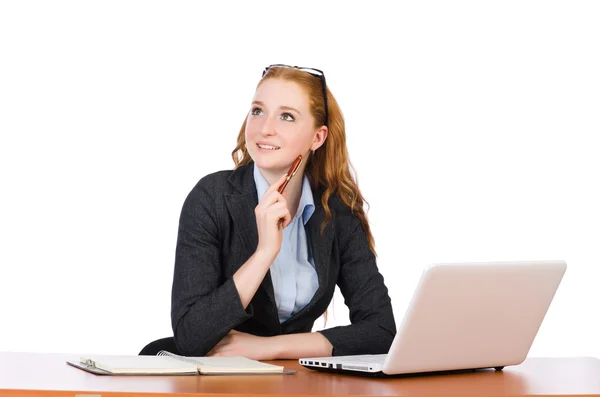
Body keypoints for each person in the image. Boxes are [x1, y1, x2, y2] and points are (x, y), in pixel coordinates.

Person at [170, 64, 396, 360]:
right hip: (215, 380)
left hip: (293, 377)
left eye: (287, 116)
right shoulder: (212, 198)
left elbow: (381, 329)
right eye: (258, 111)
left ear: (318, 138)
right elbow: (190, 336)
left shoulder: (336, 209)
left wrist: (270, 349)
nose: (265, 128)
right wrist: (264, 253)